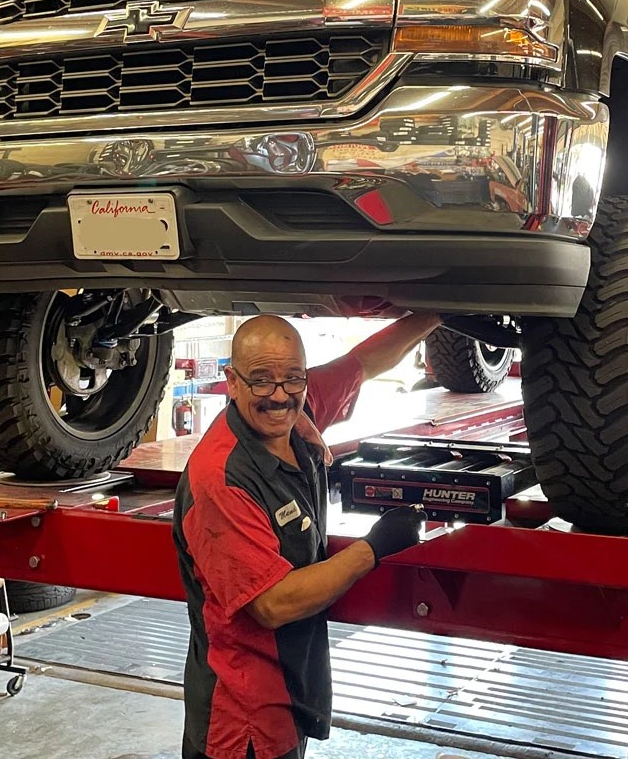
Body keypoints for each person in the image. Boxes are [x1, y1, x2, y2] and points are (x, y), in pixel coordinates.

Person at [173, 312, 443, 759]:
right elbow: (273, 603)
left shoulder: (299, 406)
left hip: (287, 691)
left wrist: (435, 314)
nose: (279, 397)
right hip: (245, 717)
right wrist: (371, 548)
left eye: (292, 379)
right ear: (232, 381)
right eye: (261, 381)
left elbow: (365, 362)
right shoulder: (221, 478)